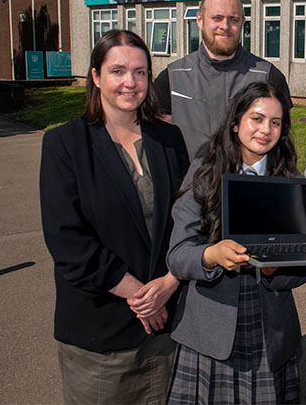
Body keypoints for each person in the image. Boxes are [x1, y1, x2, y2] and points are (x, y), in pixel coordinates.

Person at [39, 29, 189, 404]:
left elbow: (191, 222)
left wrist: (169, 284)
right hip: (101, 339)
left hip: (168, 330)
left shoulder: (169, 140)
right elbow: (68, 243)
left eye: (140, 72)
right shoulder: (64, 145)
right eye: (118, 71)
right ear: (95, 76)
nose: (130, 82)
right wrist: (142, 298)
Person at [166, 81, 306, 404]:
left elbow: (298, 268)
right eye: (256, 119)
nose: (265, 130)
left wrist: (274, 271)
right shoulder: (204, 173)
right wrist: (210, 255)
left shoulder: (288, 182)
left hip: (269, 331)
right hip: (211, 328)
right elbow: (177, 255)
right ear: (236, 123)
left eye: (275, 122)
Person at [154, 0, 291, 159]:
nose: (225, 26)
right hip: (189, 184)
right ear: (199, 20)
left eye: (233, 19)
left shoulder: (268, 77)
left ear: (242, 22)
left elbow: (282, 146)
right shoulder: (171, 78)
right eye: (217, 18)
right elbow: (158, 148)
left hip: (247, 184)